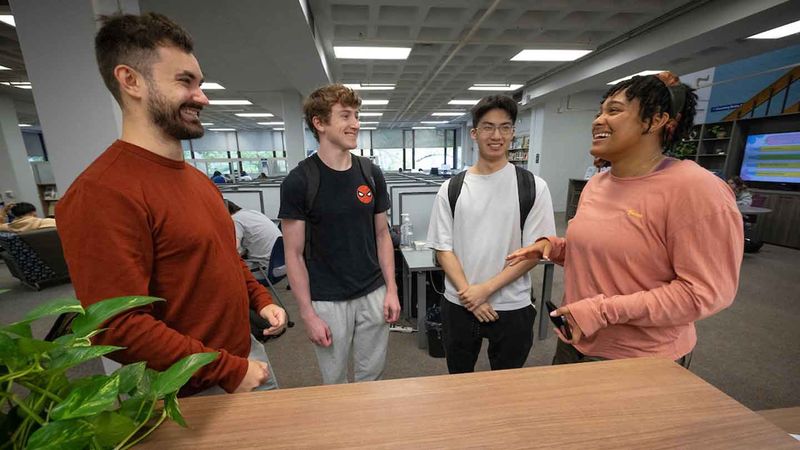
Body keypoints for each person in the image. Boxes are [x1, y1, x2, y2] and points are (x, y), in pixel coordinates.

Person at [56, 13, 287, 396]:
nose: (202, 97)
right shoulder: (102, 192)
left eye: (200, 83)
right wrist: (225, 369)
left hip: (244, 356)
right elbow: (117, 325)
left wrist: (260, 300)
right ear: (130, 80)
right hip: (188, 388)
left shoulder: (197, 181)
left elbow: (224, 258)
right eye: (185, 82)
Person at [507, 72, 743, 367]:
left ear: (655, 120)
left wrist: (602, 311)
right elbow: (617, 254)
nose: (598, 120)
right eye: (600, 112)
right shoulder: (597, 184)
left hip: (642, 358)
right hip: (576, 339)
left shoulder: (695, 188)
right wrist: (555, 247)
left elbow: (704, 292)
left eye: (614, 110)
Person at [279, 83, 400, 384]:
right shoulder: (299, 181)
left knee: (371, 375)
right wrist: (307, 314)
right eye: (345, 116)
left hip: (373, 291)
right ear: (320, 123)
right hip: (328, 300)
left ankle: (367, 429)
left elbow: (382, 236)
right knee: (333, 382)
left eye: (357, 116)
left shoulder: (370, 173)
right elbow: (292, 254)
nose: (355, 124)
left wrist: (392, 289)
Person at [427, 95, 556, 374]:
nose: (496, 135)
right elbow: (443, 249)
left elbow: (535, 252)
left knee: (507, 387)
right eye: (487, 127)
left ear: (512, 133)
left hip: (512, 305)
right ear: (474, 133)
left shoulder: (533, 186)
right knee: (459, 381)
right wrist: (469, 295)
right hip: (459, 303)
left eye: (504, 127)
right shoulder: (452, 188)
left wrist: (483, 291)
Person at [225, 199, 285, 278]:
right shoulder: (252, 212)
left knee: (224, 270)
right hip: (281, 265)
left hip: (264, 269)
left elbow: (235, 250)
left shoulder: (235, 220)